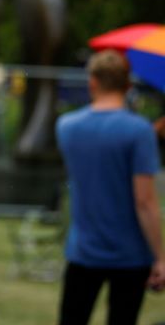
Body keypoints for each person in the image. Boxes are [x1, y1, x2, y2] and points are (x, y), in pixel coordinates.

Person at [56, 49, 165, 325]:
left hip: (83, 249)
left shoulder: (66, 126)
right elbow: (145, 202)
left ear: (92, 82)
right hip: (130, 254)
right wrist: (160, 257)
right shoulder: (139, 132)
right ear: (128, 85)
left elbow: (100, 151)